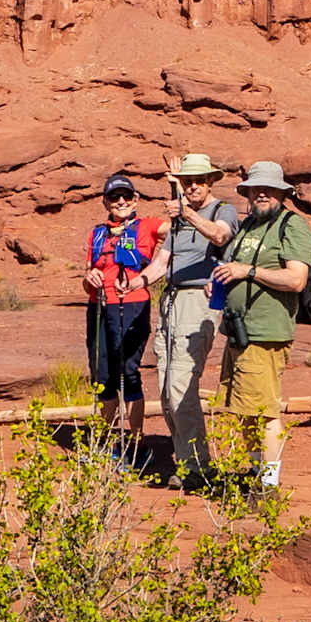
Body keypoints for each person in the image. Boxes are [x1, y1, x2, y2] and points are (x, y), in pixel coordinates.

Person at [216, 160, 311, 494]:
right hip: (238, 331)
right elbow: (234, 267)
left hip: (266, 332)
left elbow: (296, 279)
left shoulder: (292, 226)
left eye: (269, 190)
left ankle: (269, 484)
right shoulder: (249, 226)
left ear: (282, 193)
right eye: (255, 189)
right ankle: (255, 472)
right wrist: (221, 282)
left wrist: (247, 272)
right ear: (247, 192)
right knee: (245, 410)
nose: (261, 194)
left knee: (264, 410)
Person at [157, 153, 238, 485]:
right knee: (165, 388)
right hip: (170, 299)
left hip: (199, 302)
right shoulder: (179, 218)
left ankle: (198, 467)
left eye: (198, 181)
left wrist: (186, 211)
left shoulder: (223, 210)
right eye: (187, 181)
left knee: (181, 383)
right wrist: (133, 283)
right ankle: (186, 461)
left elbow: (220, 237)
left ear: (211, 182)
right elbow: (162, 262)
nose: (192, 186)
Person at [83, 171, 163, 455]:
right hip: (99, 305)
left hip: (132, 304)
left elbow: (176, 229)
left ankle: (137, 442)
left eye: (126, 196)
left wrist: (178, 191)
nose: (120, 201)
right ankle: (106, 442)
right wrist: (90, 276)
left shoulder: (148, 226)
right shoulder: (97, 233)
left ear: (136, 199)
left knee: (128, 372)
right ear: (105, 202)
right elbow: (88, 274)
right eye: (114, 197)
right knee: (102, 375)